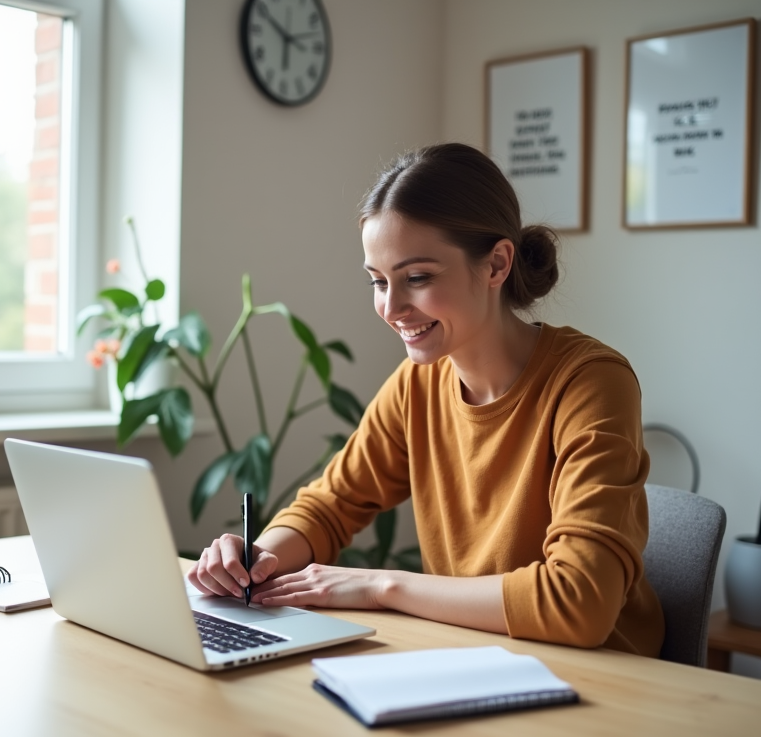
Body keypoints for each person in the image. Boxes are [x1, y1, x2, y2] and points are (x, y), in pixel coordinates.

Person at [187, 143, 664, 656]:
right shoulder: (418, 384)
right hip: (477, 659)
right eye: (377, 281)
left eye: (417, 278)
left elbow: (578, 602)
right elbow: (331, 505)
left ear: (497, 264)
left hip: (598, 677)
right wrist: (255, 561)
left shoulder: (590, 382)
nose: (392, 308)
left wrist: (381, 587)